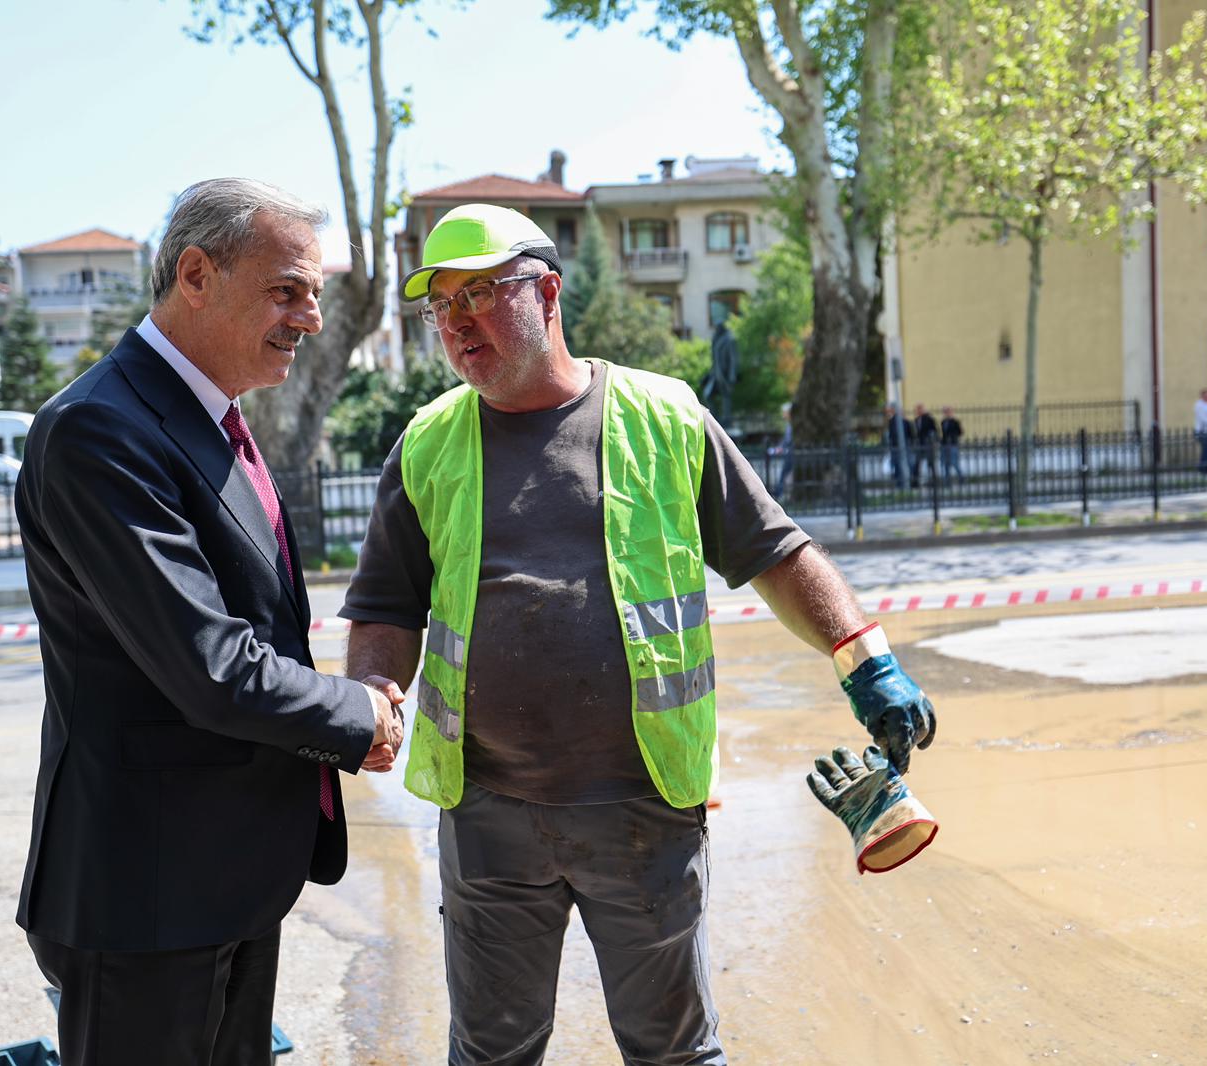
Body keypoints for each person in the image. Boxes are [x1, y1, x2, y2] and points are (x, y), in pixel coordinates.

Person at [343, 203, 937, 1065]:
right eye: (440, 304)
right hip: (488, 814)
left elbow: (774, 551)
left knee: (673, 1053)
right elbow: (387, 605)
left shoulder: (663, 417)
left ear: (547, 292)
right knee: (491, 1053)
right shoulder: (427, 444)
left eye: (480, 293)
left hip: (643, 810)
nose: (457, 320)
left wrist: (866, 661)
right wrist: (371, 696)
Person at [14, 178, 405, 1066]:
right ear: (196, 273)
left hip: (226, 874)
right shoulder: (98, 431)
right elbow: (210, 663)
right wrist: (359, 716)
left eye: (313, 294)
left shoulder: (206, 416)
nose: (309, 317)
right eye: (286, 290)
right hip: (147, 890)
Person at [884, 403, 913, 488]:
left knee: (902, 464)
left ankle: (903, 483)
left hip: (902, 446)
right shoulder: (892, 421)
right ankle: (899, 483)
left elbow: (909, 434)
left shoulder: (903, 422)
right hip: (895, 446)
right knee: (897, 465)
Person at [912, 403, 939, 486]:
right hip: (919, 444)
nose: (918, 411)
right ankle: (915, 481)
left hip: (928, 443)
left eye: (920, 409)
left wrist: (933, 441)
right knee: (917, 462)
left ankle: (934, 481)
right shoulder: (916, 420)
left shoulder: (929, 419)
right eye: (917, 409)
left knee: (930, 463)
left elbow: (935, 430)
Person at [940, 405, 965, 487]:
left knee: (954, 463)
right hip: (945, 445)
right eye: (945, 412)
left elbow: (960, 432)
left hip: (953, 444)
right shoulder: (943, 422)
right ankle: (947, 482)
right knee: (946, 464)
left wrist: (952, 436)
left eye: (948, 411)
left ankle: (961, 478)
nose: (946, 413)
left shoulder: (955, 421)